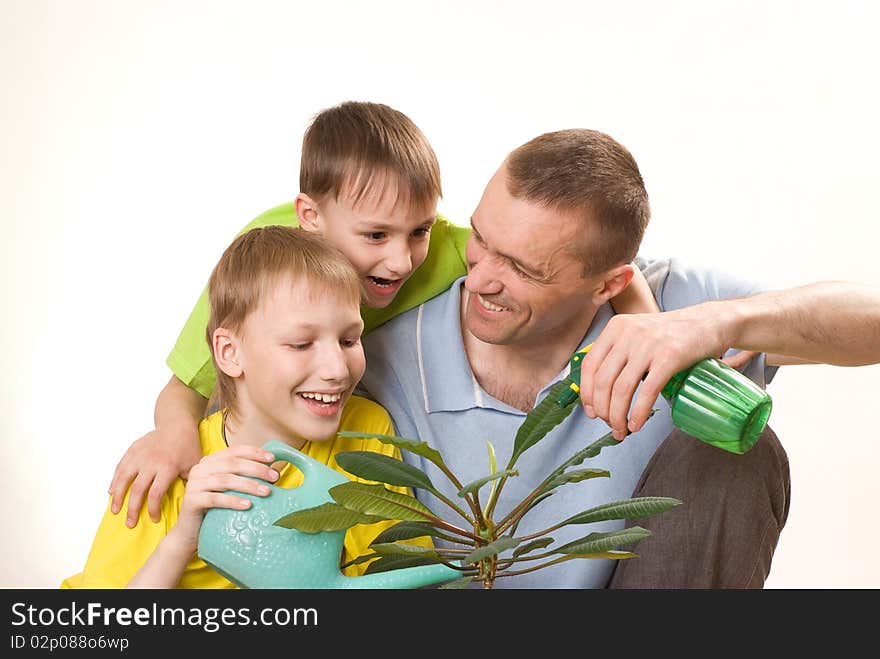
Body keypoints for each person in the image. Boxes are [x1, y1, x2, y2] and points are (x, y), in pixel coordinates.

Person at [357, 128, 880, 588]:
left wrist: (715, 323)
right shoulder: (375, 352)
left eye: (523, 269)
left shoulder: (666, 303)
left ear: (610, 284)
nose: (480, 279)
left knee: (740, 452)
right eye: (482, 240)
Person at [108, 100, 662, 528]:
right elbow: (186, 384)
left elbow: (583, 267)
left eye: (418, 230)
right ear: (311, 217)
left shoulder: (453, 249)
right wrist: (173, 435)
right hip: (248, 429)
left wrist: (642, 328)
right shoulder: (262, 260)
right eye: (375, 236)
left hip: (341, 433)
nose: (400, 260)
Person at [62, 226, 432, 588]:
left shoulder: (364, 434)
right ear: (229, 353)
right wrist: (183, 538)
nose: (337, 369)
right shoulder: (166, 468)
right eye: (302, 344)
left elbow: (400, 575)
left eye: (349, 339)